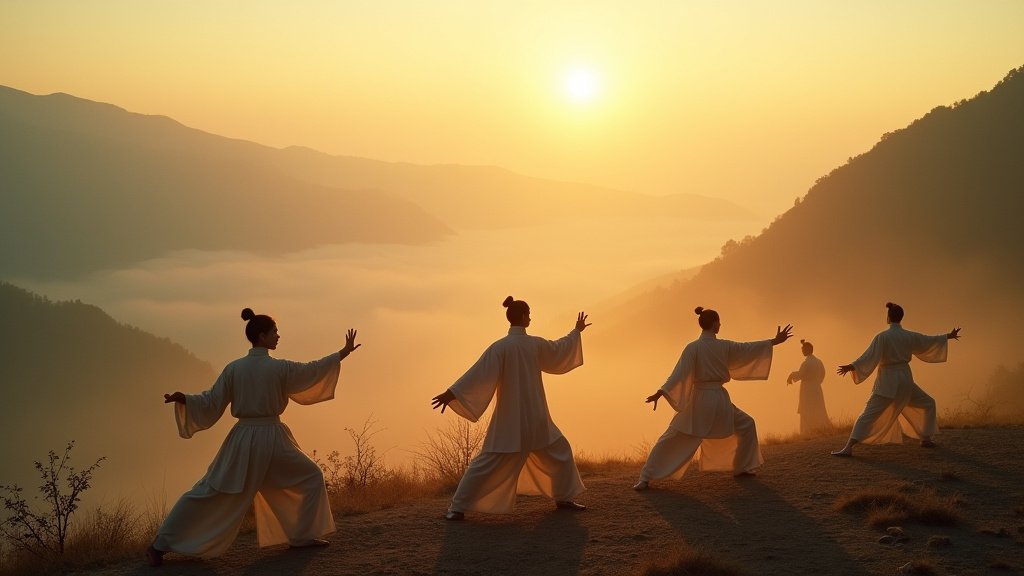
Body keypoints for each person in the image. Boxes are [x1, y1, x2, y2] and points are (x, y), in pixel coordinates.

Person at [146, 308, 360, 566]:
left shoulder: (235, 368)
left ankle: (160, 544)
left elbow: (212, 400)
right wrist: (342, 353)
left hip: (246, 438)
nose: (278, 336)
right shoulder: (279, 368)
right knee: (309, 476)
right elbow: (311, 370)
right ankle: (301, 536)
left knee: (209, 491)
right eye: (274, 332)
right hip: (271, 437)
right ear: (261, 336)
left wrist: (186, 399)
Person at [431, 296, 591, 521]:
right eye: (529, 313)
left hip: (515, 417)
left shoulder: (501, 347)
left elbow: (478, 374)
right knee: (557, 452)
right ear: (523, 317)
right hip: (533, 414)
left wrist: (453, 393)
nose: (531, 317)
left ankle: (457, 508)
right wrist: (576, 332)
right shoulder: (532, 344)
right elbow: (559, 350)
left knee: (489, 461)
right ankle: (457, 507)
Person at [633, 306, 793, 491]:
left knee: (672, 437)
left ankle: (645, 478)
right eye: (719, 322)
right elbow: (747, 349)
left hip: (700, 400)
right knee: (747, 424)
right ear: (715, 324)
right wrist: (774, 341)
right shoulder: (724, 345)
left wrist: (661, 392)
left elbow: (678, 374)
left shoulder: (693, 347)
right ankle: (743, 467)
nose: (720, 325)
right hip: (719, 401)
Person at [831, 302, 960, 457]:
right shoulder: (908, 335)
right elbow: (927, 341)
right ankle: (925, 438)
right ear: (901, 317)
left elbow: (869, 356)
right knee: (928, 402)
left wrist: (852, 366)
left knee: (868, 414)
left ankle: (848, 447)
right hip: (905, 378)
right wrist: (948, 336)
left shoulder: (883, 337)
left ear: (888, 317)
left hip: (888, 380)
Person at [786, 339, 832, 434]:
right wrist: (817, 382)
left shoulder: (806, 363)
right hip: (817, 388)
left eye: (803, 349)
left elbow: (801, 374)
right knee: (818, 408)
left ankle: (808, 432)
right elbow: (823, 374)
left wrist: (791, 375)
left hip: (807, 390)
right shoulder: (819, 362)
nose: (802, 351)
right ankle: (821, 429)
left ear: (807, 350)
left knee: (807, 410)